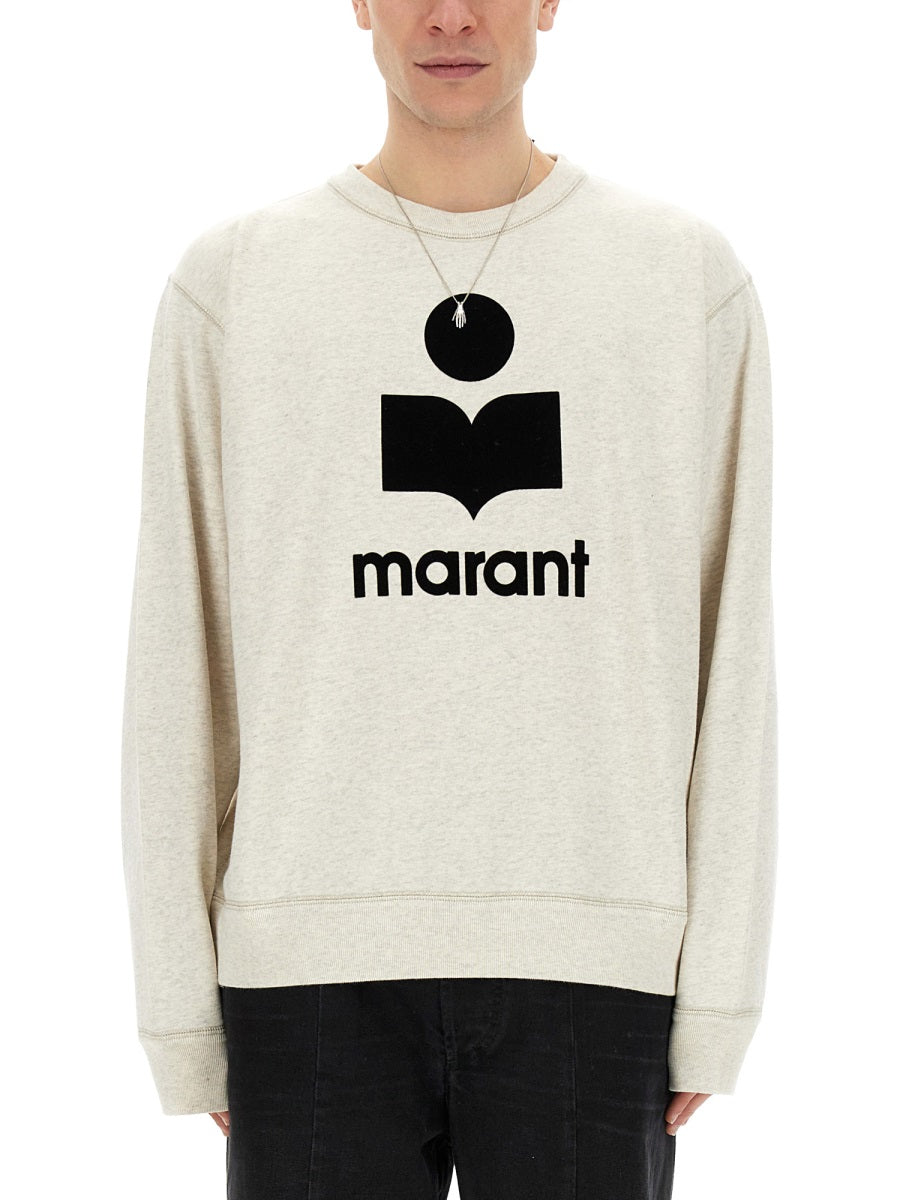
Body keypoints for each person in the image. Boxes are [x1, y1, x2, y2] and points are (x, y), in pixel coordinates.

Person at [120, 1, 778, 1197]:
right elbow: (177, 658)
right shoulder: (236, 285)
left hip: (597, 954)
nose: (452, 14)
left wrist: (721, 986)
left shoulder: (680, 280)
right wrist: (179, 1005)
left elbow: (733, 655)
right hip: (304, 966)